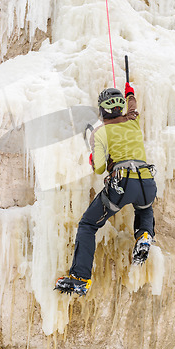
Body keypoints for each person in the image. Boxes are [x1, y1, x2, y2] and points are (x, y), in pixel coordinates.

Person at [54, 82, 157, 295]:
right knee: (144, 209)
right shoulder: (133, 123)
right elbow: (133, 108)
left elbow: (99, 168)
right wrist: (130, 93)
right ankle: (145, 235)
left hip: (123, 184)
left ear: (103, 110)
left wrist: (93, 158)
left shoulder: (100, 133)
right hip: (147, 182)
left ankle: (81, 277)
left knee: (88, 224)